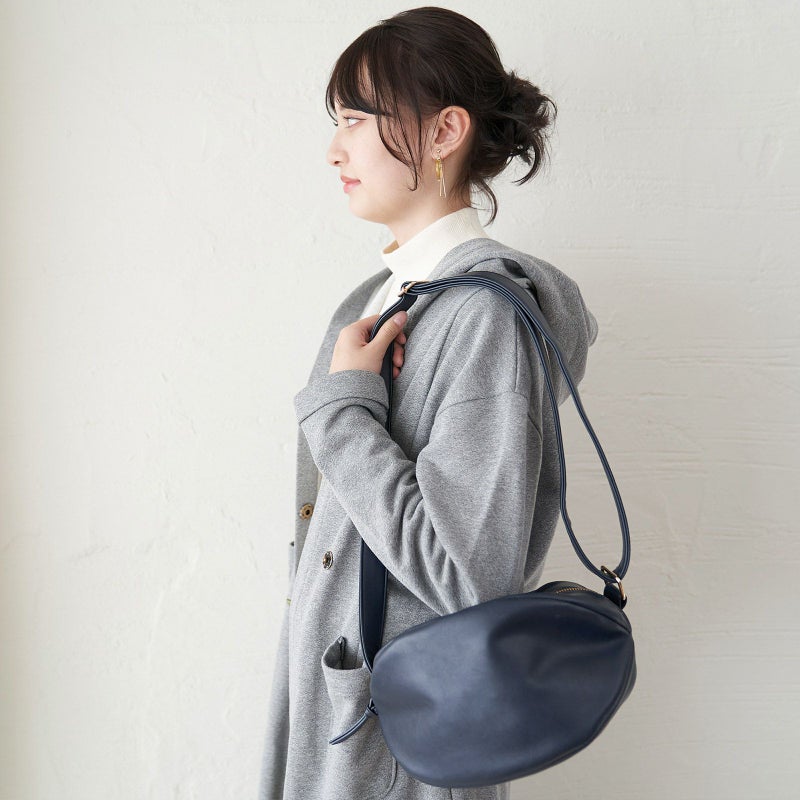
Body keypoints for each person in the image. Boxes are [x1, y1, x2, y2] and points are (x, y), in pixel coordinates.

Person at [258, 7, 599, 800]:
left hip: (396, 741)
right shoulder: (375, 300)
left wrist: (344, 413)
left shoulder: (482, 318)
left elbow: (466, 576)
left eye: (357, 119)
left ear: (445, 131)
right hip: (342, 714)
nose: (334, 149)